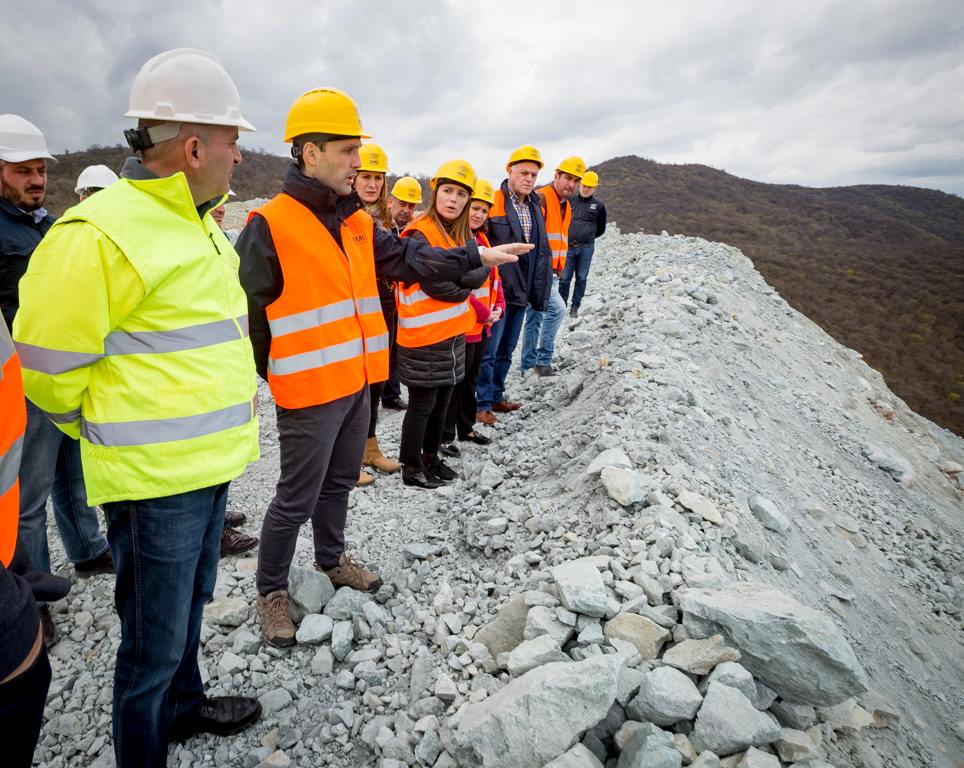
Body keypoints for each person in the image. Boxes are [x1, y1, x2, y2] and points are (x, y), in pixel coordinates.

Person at [14, 49, 264, 766]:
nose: (240, 155)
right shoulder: (101, 233)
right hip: (153, 482)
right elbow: (46, 370)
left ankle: (184, 708)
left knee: (190, 606)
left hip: (207, 468)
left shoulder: (196, 220)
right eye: (231, 140)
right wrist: (98, 430)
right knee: (149, 646)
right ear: (193, 149)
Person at [235, 88, 527, 647]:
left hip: (356, 382)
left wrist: (475, 255)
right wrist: (275, 375)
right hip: (307, 389)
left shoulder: (355, 222)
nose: (358, 162)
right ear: (311, 153)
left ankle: (331, 559)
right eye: (348, 151)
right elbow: (251, 319)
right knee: (295, 497)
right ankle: (270, 591)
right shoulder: (268, 224)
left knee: (340, 480)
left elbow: (409, 259)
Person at [0, 114, 111, 647]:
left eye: (41, 170)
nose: (37, 179)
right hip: (19, 381)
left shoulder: (44, 224)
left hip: (61, 371)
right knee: (27, 497)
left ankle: (87, 550)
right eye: (23, 171)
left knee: (74, 473)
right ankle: (29, 601)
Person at [398, 160, 487, 487]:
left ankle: (431, 457)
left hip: (452, 336)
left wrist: (462, 278)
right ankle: (411, 467)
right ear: (435, 192)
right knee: (422, 406)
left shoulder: (459, 233)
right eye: (448, 191)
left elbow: (481, 272)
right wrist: (465, 283)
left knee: (442, 403)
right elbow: (436, 284)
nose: (453, 199)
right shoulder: (420, 231)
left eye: (461, 194)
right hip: (423, 336)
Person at [0, 320, 63, 768]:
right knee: (34, 499)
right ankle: (35, 598)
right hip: (40, 379)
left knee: (65, 483)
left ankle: (78, 554)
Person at [475, 145, 552, 420]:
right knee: (490, 350)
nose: (529, 179)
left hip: (522, 289)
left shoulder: (535, 205)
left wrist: (538, 290)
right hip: (499, 291)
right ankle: (481, 404)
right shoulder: (494, 201)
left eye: (533, 174)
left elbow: (540, 251)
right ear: (509, 171)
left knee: (507, 350)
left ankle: (496, 396)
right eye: (523, 173)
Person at [440, 177, 503, 454]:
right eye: (475, 208)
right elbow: (461, 286)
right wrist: (484, 313)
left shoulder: (483, 240)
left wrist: (499, 305)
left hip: (482, 326)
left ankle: (465, 427)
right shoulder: (458, 241)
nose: (478, 214)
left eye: (484, 210)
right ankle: (444, 435)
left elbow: (496, 279)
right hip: (464, 326)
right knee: (453, 384)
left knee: (470, 381)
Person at [354, 144, 401, 481]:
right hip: (354, 306)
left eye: (378, 178)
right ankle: (348, 458)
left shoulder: (384, 219)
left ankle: (370, 449)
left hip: (383, 304)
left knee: (376, 381)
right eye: (365, 176)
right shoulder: (344, 216)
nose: (372, 184)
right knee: (354, 385)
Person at [520, 155, 585, 376]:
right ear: (556, 175)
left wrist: (559, 268)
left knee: (535, 317)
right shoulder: (542, 199)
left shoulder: (566, 205)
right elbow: (532, 236)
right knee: (557, 310)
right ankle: (543, 360)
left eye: (576, 181)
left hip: (552, 271)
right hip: (540, 272)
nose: (571, 185)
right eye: (568, 178)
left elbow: (559, 239)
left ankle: (527, 364)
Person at [380, 175, 423, 410]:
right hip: (380, 299)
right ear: (391, 202)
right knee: (379, 348)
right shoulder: (379, 228)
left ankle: (391, 395)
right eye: (402, 204)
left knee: (396, 349)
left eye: (411, 206)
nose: (406, 210)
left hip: (402, 302)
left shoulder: (415, 232)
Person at [560, 169, 607, 317]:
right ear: (580, 184)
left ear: (595, 188)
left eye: (589, 187)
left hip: (586, 248)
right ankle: (561, 306)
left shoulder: (599, 206)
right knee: (564, 278)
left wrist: (587, 236)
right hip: (568, 247)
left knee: (581, 278)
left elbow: (601, 229)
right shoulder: (569, 201)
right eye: (584, 185)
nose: (586, 189)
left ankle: (575, 307)